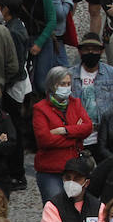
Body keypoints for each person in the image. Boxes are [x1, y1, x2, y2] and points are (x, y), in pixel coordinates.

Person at [34, 68, 96, 202]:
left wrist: (64, 131)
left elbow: (88, 127)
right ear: (52, 85)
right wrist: (75, 135)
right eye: (62, 84)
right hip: (51, 169)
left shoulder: (76, 103)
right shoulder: (40, 108)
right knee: (54, 209)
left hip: (74, 168)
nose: (66, 87)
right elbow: (45, 140)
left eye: (68, 84)